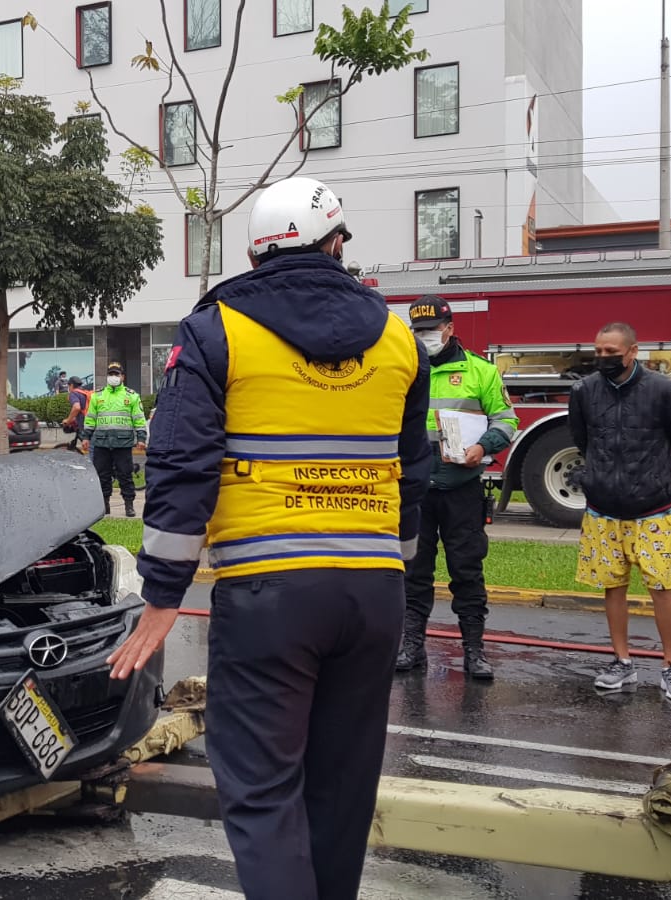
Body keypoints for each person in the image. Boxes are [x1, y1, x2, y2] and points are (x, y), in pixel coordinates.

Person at [106, 175, 432, 900]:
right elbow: (414, 473)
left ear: (256, 255)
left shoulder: (218, 331)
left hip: (269, 592)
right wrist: (401, 573)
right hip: (373, 590)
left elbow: (181, 465)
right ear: (337, 244)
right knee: (342, 791)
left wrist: (162, 597)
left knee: (262, 790)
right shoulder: (400, 336)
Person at [568, 322, 671, 701]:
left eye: (611, 351)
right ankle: (621, 662)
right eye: (599, 351)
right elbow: (582, 439)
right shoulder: (584, 391)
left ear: (633, 351)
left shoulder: (664, 390)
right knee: (613, 586)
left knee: (661, 587)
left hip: (652, 509)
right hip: (603, 508)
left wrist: (657, 479)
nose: (604, 358)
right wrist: (599, 477)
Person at [397, 296, 519, 680]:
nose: (424, 337)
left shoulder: (481, 371)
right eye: (418, 331)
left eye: (431, 330)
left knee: (467, 570)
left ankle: (474, 650)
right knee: (414, 570)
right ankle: (411, 645)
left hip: (461, 488)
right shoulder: (404, 369)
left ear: (450, 328)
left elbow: (506, 420)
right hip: (416, 490)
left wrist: (483, 447)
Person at [80, 361, 146, 517]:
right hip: (102, 442)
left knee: (125, 474)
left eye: (117, 374)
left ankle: (129, 505)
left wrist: (141, 438)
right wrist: (86, 437)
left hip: (122, 443)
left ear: (123, 376)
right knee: (102, 475)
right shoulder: (98, 396)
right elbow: (90, 418)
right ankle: (105, 505)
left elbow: (139, 419)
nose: (113, 377)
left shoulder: (132, 396)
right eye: (111, 374)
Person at [61, 376, 92, 454]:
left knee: (90, 449)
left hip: (84, 426)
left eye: (68, 386)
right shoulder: (86, 393)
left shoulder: (74, 393)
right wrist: (75, 419)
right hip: (91, 423)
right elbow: (84, 410)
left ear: (71, 385)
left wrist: (68, 421)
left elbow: (77, 407)